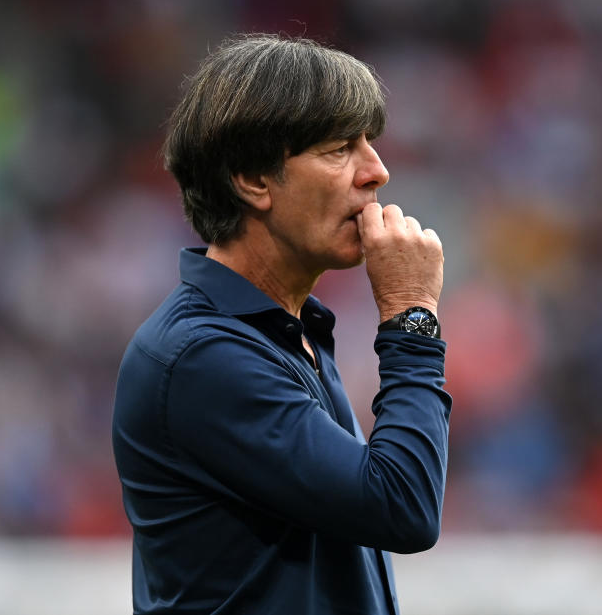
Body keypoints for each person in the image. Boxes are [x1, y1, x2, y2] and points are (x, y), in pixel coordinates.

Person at [112, 34, 451, 614]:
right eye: (340, 148)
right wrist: (411, 314)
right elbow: (401, 506)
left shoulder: (285, 329)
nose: (377, 171)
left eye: (370, 143)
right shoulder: (202, 356)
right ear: (252, 179)